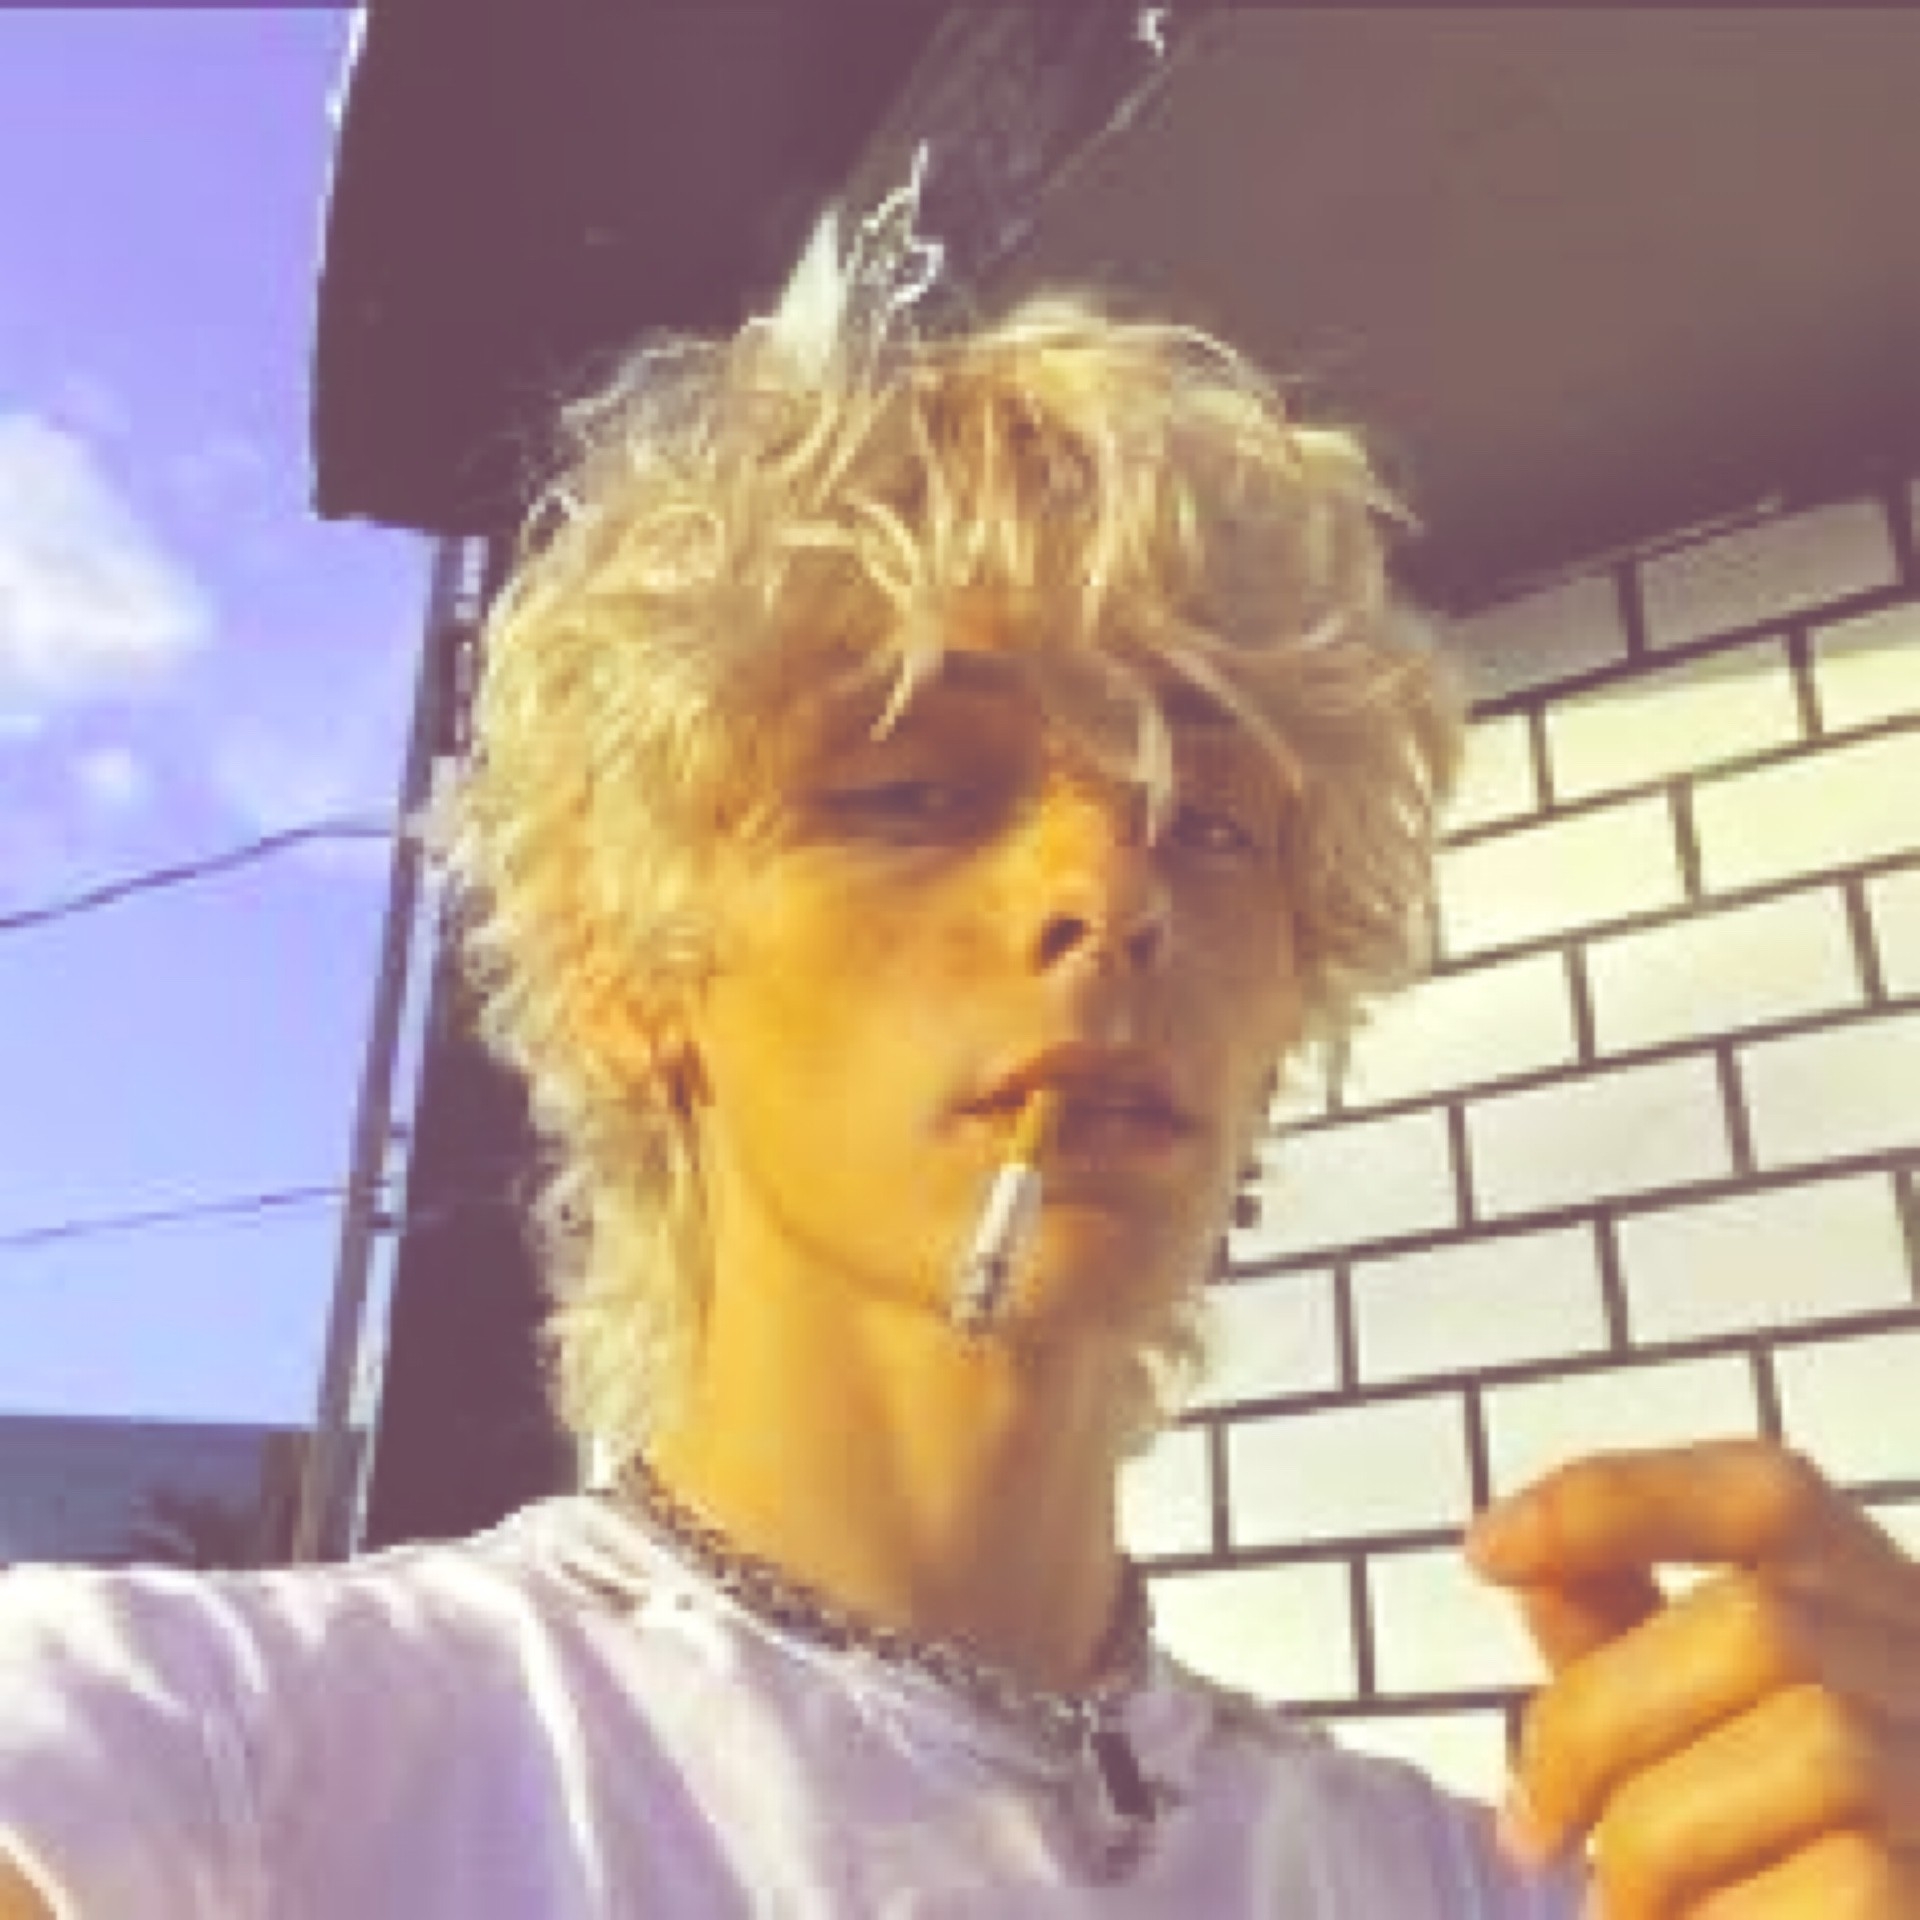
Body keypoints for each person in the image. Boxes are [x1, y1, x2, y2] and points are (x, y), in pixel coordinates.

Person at [4, 205, 1918, 1917]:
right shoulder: (220, 1768)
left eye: (1215, 826)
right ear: (628, 968)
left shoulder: (1515, 1884)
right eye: (913, 790)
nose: (1114, 889)